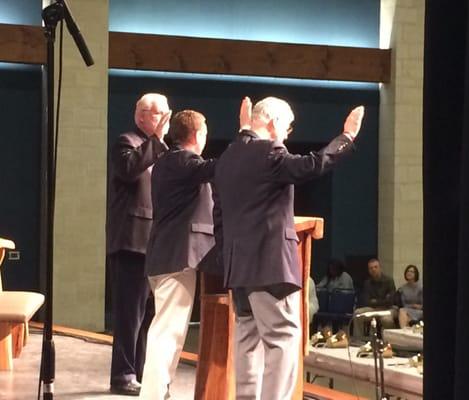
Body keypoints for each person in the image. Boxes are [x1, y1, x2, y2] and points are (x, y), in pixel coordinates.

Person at [213, 96, 365, 400]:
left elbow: (219, 214)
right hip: (269, 267)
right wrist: (346, 137)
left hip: (237, 267)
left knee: (247, 339)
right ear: (274, 123)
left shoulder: (229, 155)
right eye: (288, 127)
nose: (287, 134)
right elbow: (313, 164)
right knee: (282, 338)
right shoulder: (270, 152)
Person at [139, 110, 216, 399]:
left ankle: (160, 392)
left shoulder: (168, 162)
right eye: (205, 130)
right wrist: (248, 143)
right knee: (167, 333)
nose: (207, 136)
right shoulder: (184, 161)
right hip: (175, 257)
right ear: (196, 135)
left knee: (170, 331)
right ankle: (154, 395)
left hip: (165, 255)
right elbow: (217, 168)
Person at [106, 93, 171, 396]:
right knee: (129, 314)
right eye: (160, 114)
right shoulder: (127, 142)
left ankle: (143, 372)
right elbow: (129, 169)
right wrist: (157, 140)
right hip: (130, 241)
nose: (165, 120)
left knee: (147, 316)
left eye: (166, 114)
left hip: (154, 243)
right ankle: (123, 375)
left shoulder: (159, 149)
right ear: (142, 115)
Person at [353, 258, 397, 342]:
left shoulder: (389, 280)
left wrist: (375, 301)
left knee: (386, 320)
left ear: (380, 268)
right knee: (357, 313)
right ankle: (359, 340)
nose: (373, 269)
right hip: (373, 309)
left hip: (388, 309)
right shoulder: (367, 283)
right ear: (369, 270)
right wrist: (381, 301)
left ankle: (391, 341)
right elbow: (366, 301)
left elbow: (390, 301)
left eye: (375, 267)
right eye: (371, 268)